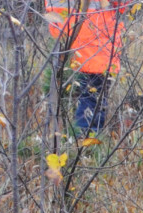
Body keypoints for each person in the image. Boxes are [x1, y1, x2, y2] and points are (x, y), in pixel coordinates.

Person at [45, 0, 130, 133]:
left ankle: (68, 143)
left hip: (62, 45)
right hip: (94, 46)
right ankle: (86, 147)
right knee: (91, 103)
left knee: (64, 103)